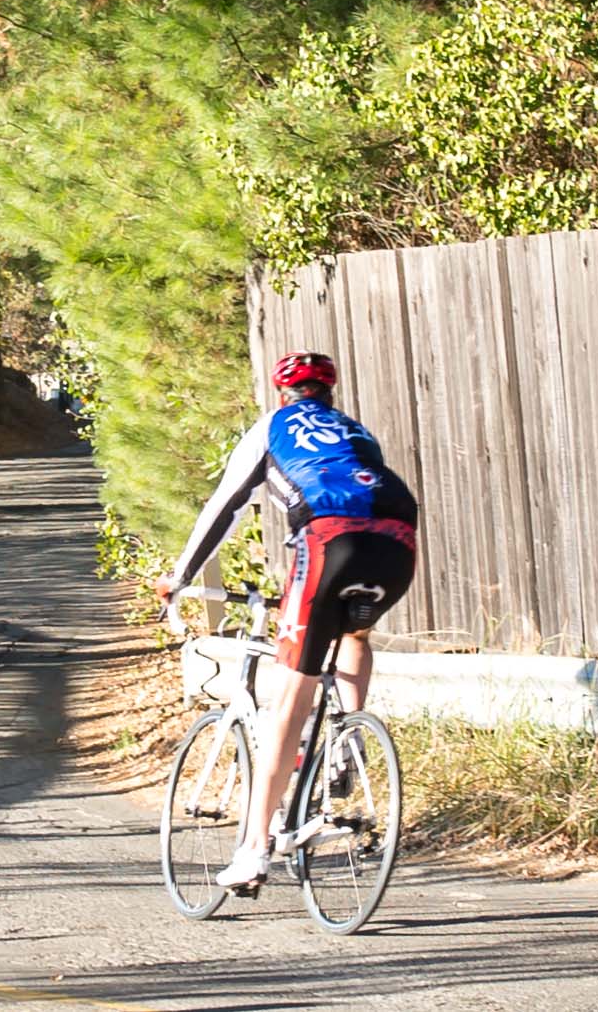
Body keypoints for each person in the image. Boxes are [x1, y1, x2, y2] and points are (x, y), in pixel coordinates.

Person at [156, 350, 422, 893]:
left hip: (329, 542)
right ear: (329, 391)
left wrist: (179, 578)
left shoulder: (272, 427)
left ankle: (254, 849)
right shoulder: (356, 432)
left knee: (289, 699)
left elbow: (226, 506)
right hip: (398, 540)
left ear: (282, 394)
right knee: (354, 632)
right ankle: (348, 737)